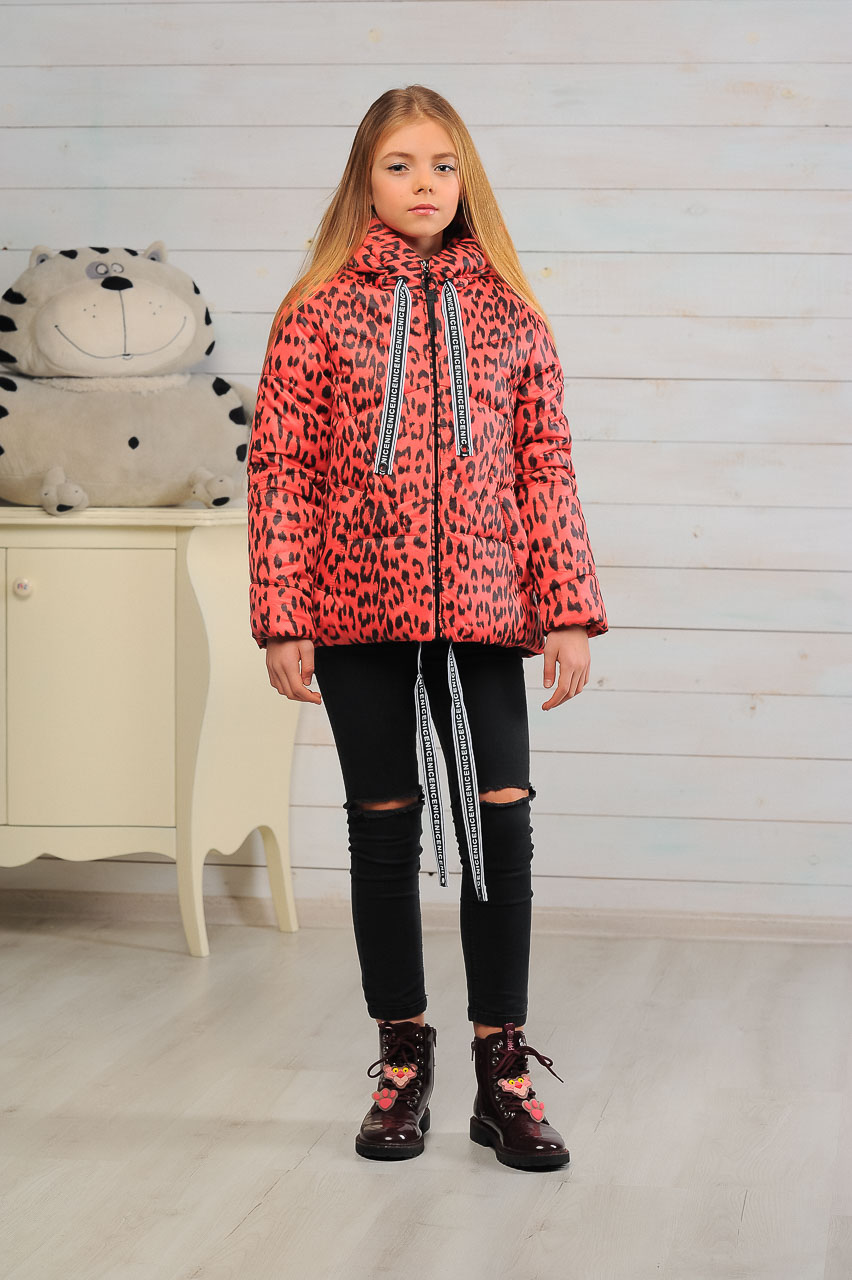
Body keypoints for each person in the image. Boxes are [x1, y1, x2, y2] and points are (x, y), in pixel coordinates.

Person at [247, 85, 608, 1172]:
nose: (424, 185)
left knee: (503, 819)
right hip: (355, 607)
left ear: (466, 179)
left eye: (442, 165)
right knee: (383, 822)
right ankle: (402, 1059)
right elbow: (281, 469)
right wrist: (283, 614)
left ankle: (504, 1072)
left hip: (489, 610)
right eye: (400, 164)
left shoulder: (512, 312)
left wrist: (567, 608)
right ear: (366, 178)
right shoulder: (315, 310)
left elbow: (545, 464)